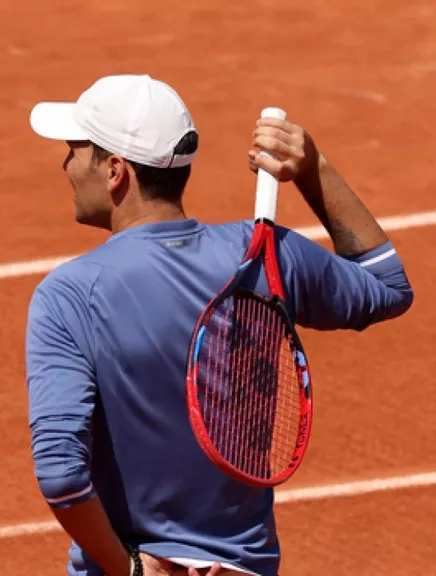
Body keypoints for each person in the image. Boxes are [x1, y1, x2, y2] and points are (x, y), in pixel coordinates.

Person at [23, 74, 413, 576]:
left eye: (76, 151)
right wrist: (312, 168)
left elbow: (62, 476)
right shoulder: (268, 257)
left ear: (116, 170)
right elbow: (387, 286)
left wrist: (132, 569)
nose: (67, 166)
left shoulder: (70, 294)